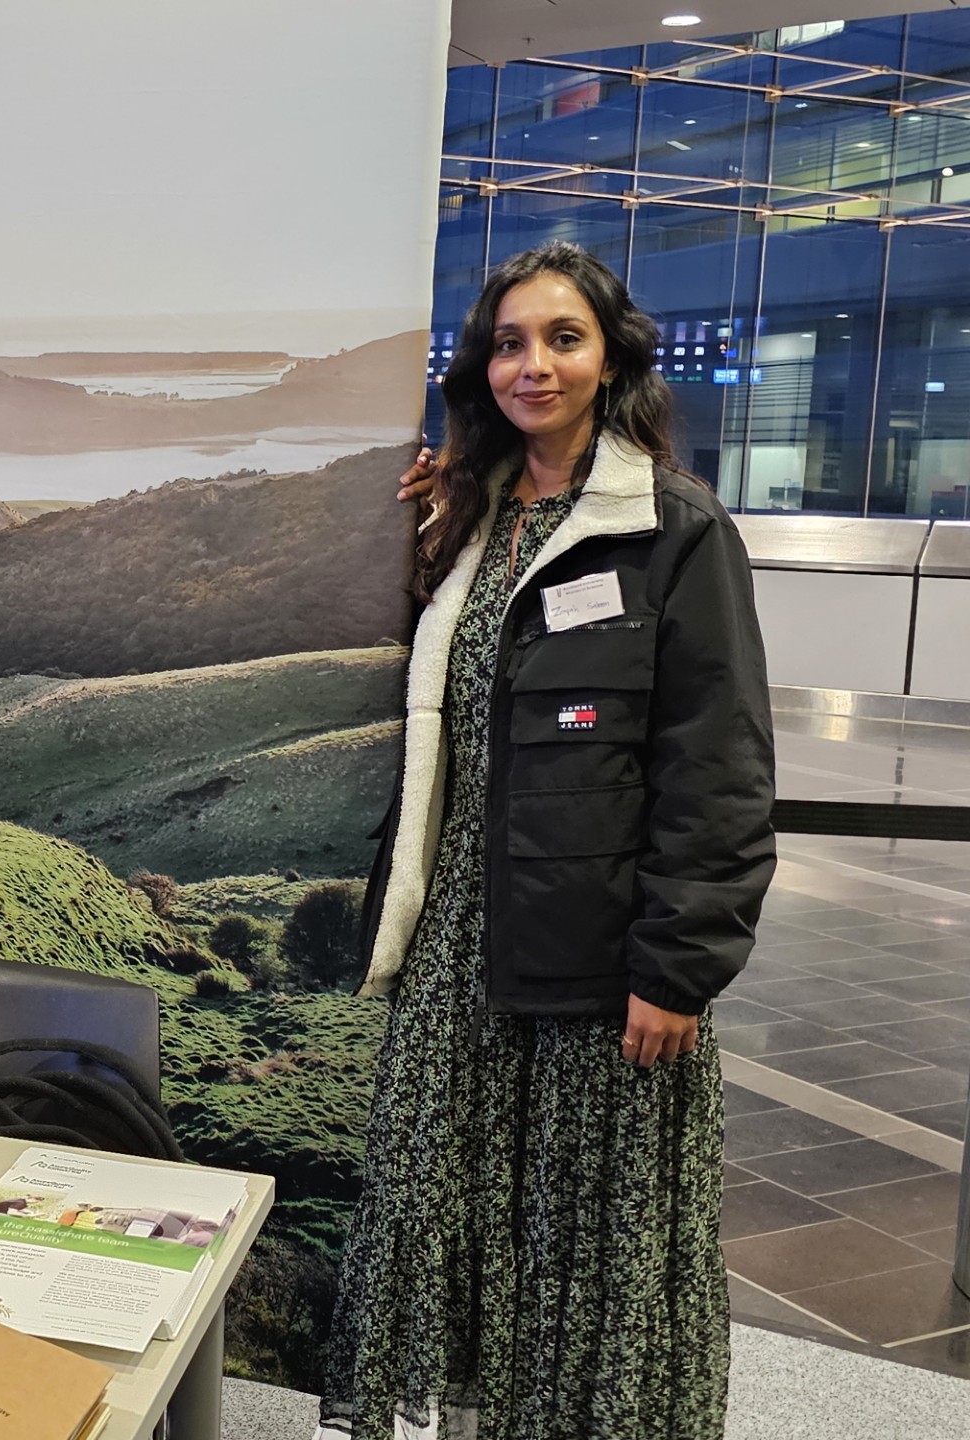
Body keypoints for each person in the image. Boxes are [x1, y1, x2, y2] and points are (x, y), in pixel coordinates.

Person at [319, 242, 774, 1440]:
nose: (534, 365)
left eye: (563, 338)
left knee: (583, 1244)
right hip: (459, 940)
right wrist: (419, 533)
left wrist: (678, 966)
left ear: (614, 356)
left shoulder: (672, 530)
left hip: (596, 952)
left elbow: (717, 765)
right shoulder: (470, 519)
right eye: (510, 342)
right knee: (446, 1210)